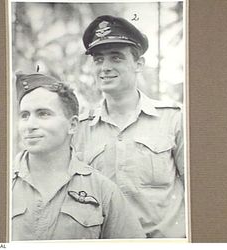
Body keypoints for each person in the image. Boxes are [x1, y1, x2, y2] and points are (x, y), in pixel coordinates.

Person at [72, 15, 186, 238]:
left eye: (116, 58)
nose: (105, 67)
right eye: (98, 59)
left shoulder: (173, 119)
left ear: (138, 64)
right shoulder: (80, 129)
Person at [12, 73, 145, 240]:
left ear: (73, 125)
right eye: (24, 115)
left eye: (43, 114)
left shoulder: (103, 191)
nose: (30, 125)